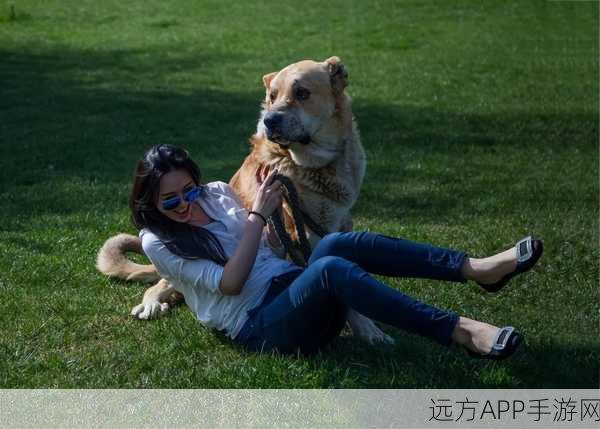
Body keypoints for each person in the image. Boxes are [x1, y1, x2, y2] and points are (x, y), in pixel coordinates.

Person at [130, 144, 543, 359]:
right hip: (261, 327)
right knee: (329, 267)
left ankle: (477, 268)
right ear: (150, 201)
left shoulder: (217, 194)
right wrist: (257, 216)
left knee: (337, 244)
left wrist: (272, 211)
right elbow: (232, 283)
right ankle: (461, 331)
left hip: (295, 295)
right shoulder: (157, 240)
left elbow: (266, 251)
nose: (185, 204)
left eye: (190, 190)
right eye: (171, 201)